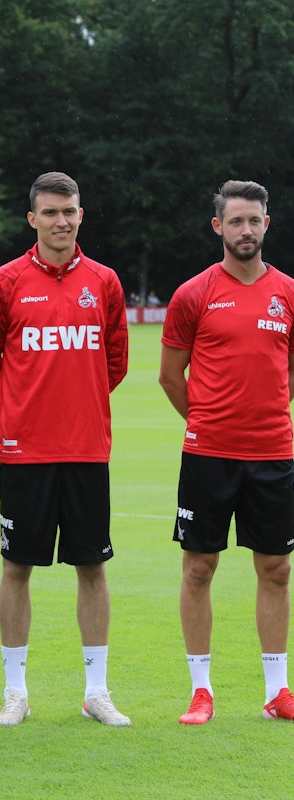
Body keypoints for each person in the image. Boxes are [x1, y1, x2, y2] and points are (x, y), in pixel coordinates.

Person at [0, 171, 131, 727]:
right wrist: (25, 410)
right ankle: (15, 692)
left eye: (69, 211)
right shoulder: (5, 282)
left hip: (87, 449)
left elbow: (114, 363)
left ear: (81, 215)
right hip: (25, 452)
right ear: (32, 218)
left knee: (93, 567)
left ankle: (96, 692)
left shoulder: (106, 282)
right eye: (50, 212)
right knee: (17, 567)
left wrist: (75, 403)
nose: (60, 221)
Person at [158, 179, 294, 724]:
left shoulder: (287, 291)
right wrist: (210, 423)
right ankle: (201, 690)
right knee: (199, 568)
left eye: (254, 220)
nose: (245, 229)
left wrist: (263, 417)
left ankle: (277, 691)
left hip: (273, 453)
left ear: (267, 224)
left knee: (277, 568)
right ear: (218, 227)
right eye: (235, 221)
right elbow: (170, 377)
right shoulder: (194, 293)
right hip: (208, 454)